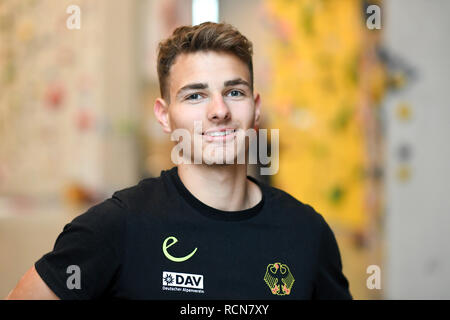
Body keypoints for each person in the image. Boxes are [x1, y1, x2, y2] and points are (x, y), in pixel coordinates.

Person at [6, 22, 352, 300]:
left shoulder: (306, 232)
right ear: (164, 115)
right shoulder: (117, 226)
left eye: (234, 92)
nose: (219, 111)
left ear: (256, 108)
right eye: (196, 95)